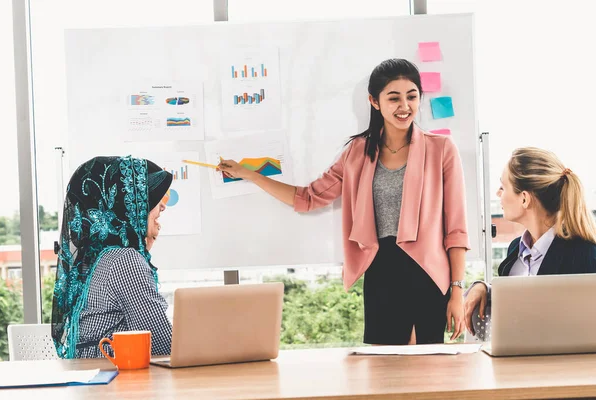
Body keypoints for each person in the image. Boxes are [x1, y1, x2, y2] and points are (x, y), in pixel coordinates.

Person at [218, 58, 470, 345]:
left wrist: (457, 291)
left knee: (425, 377)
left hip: (427, 274)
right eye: (394, 98)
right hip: (381, 271)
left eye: (412, 97)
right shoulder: (358, 152)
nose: (404, 106)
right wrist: (249, 175)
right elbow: (308, 198)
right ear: (374, 102)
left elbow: (456, 229)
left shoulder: (441, 150)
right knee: (382, 377)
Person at [464, 147, 596, 336]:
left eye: (503, 187)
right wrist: (485, 288)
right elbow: (525, 300)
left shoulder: (584, 254)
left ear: (524, 199)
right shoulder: (515, 250)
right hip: (515, 361)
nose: (498, 194)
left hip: (565, 364)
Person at [51, 156, 174, 358]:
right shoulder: (124, 260)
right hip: (115, 383)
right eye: (147, 196)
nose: (162, 207)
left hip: (97, 383)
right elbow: (161, 344)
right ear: (126, 204)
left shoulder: (93, 260)